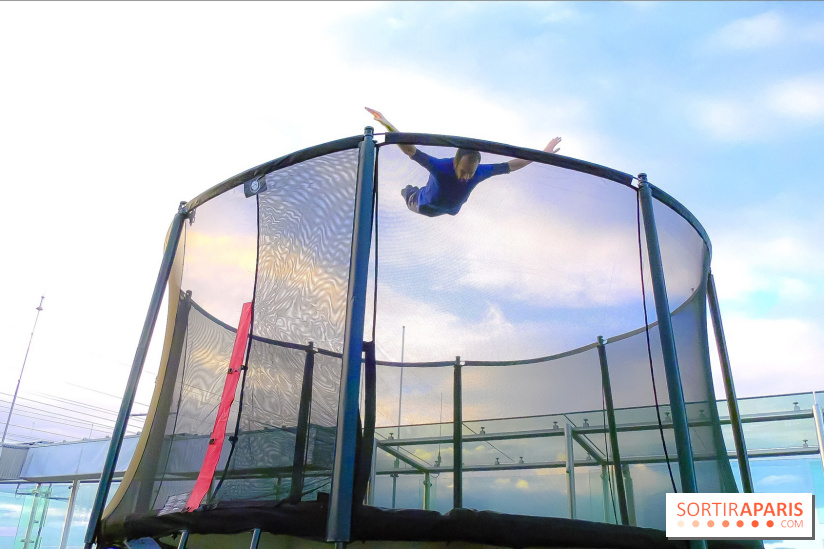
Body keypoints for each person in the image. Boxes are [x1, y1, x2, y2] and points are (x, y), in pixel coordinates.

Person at [366, 108, 561, 217]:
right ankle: (408, 191)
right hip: (423, 205)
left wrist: (542, 154)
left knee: (451, 205)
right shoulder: (441, 167)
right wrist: (387, 124)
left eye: (470, 172)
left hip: (451, 209)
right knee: (409, 192)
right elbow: (410, 150)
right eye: (463, 171)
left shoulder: (479, 172)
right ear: (455, 163)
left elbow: (512, 165)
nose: (466, 176)